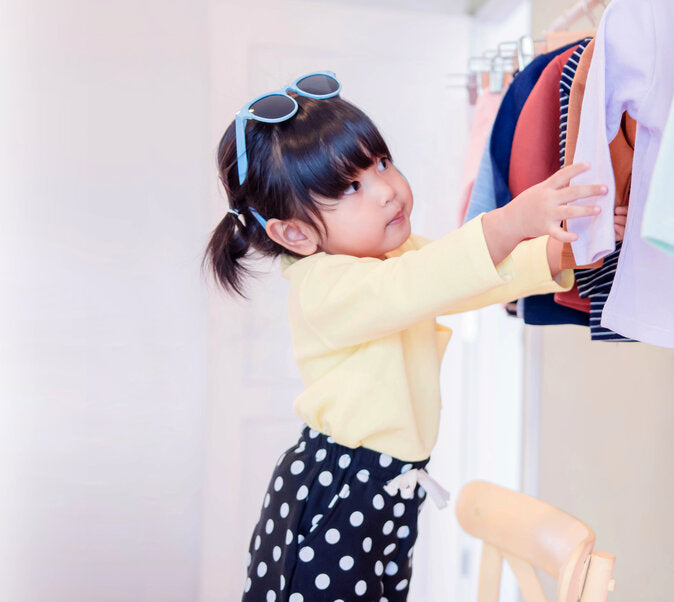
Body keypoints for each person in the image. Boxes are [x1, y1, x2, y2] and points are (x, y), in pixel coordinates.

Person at [203, 71, 617, 602]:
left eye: (380, 163)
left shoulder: (391, 259)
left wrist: (567, 250)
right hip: (337, 489)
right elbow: (423, 282)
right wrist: (511, 221)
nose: (387, 190)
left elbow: (460, 282)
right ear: (295, 233)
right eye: (352, 187)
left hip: (389, 487)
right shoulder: (324, 287)